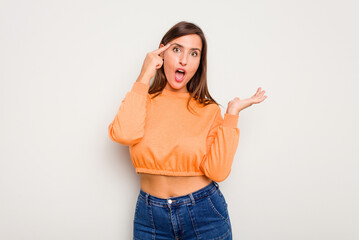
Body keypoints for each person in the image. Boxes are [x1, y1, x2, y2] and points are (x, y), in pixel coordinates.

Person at [108, 21, 267, 240]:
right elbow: (124, 134)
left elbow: (218, 172)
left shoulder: (209, 110)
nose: (184, 59)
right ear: (161, 53)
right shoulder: (141, 100)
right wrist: (144, 74)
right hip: (150, 216)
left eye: (194, 54)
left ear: (200, 63)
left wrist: (231, 115)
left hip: (204, 212)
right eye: (176, 50)